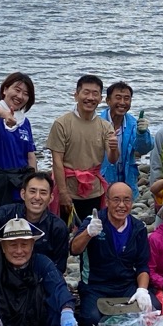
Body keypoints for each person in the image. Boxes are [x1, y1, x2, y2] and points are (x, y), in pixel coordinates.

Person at [0, 219, 74, 326]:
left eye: (24, 244)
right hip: (5, 322)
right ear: (3, 247)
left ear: (32, 245)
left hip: (36, 319)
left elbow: (58, 287)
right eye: (13, 245)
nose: (19, 251)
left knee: (60, 314)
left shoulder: (42, 263)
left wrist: (67, 310)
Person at [71, 184, 153, 326]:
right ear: (107, 201)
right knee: (91, 321)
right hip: (95, 287)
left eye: (126, 200)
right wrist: (88, 233)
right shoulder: (93, 221)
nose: (121, 205)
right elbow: (74, 249)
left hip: (126, 285)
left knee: (154, 308)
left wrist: (142, 290)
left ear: (132, 203)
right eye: (116, 200)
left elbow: (142, 265)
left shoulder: (138, 228)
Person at [50, 74, 119, 223]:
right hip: (68, 188)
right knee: (64, 232)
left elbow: (113, 159)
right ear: (76, 95)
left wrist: (114, 148)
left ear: (100, 99)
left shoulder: (106, 126)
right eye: (86, 92)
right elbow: (57, 161)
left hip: (94, 190)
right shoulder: (61, 123)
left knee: (92, 233)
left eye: (95, 94)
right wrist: (62, 192)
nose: (90, 98)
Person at [0, 170, 71, 274]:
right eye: (32, 191)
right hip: (2, 275)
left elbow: (59, 267)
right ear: (23, 194)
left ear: (51, 198)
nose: (37, 197)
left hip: (39, 278)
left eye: (43, 193)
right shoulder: (6, 213)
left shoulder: (58, 227)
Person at [0, 72, 38, 215]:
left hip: (19, 183)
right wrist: (5, 115)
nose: (20, 96)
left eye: (26, 93)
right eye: (17, 90)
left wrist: (33, 183)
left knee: (17, 228)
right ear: (5, 89)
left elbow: (30, 155)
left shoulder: (24, 122)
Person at [99, 81, 154, 192]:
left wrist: (142, 134)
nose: (122, 102)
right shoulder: (97, 123)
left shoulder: (133, 124)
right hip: (101, 180)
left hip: (127, 179)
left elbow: (143, 149)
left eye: (127, 98)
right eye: (118, 98)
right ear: (108, 100)